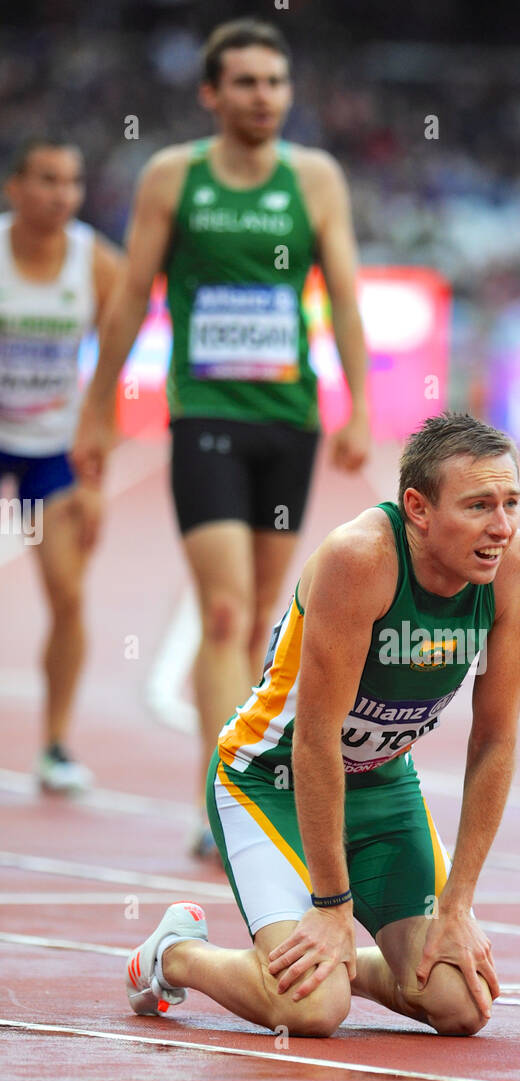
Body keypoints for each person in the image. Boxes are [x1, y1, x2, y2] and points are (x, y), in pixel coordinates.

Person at [124, 412, 520, 1038]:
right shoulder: (362, 559)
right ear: (417, 509)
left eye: (511, 503)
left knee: (460, 1003)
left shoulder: (514, 568)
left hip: (380, 786)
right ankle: (176, 953)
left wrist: (457, 905)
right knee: (312, 1011)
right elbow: (316, 739)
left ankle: (339, 966)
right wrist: (331, 906)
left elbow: (495, 740)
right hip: (270, 778)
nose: (501, 527)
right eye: (479, 505)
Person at [73, 19, 370, 853]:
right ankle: (223, 807)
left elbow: (343, 296)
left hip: (290, 424)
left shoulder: (316, 180)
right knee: (226, 608)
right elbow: (132, 294)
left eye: (275, 83)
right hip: (206, 419)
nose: (263, 98)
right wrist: (99, 407)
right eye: (244, 83)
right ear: (211, 93)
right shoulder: (175, 176)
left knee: (263, 620)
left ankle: (240, 780)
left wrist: (361, 408)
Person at [0, 138, 123, 791]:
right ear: (13, 188)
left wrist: (97, 468)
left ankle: (54, 744)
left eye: (72, 182)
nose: (61, 194)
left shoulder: (96, 262)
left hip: (52, 447)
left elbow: (113, 366)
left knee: (68, 594)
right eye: (46, 179)